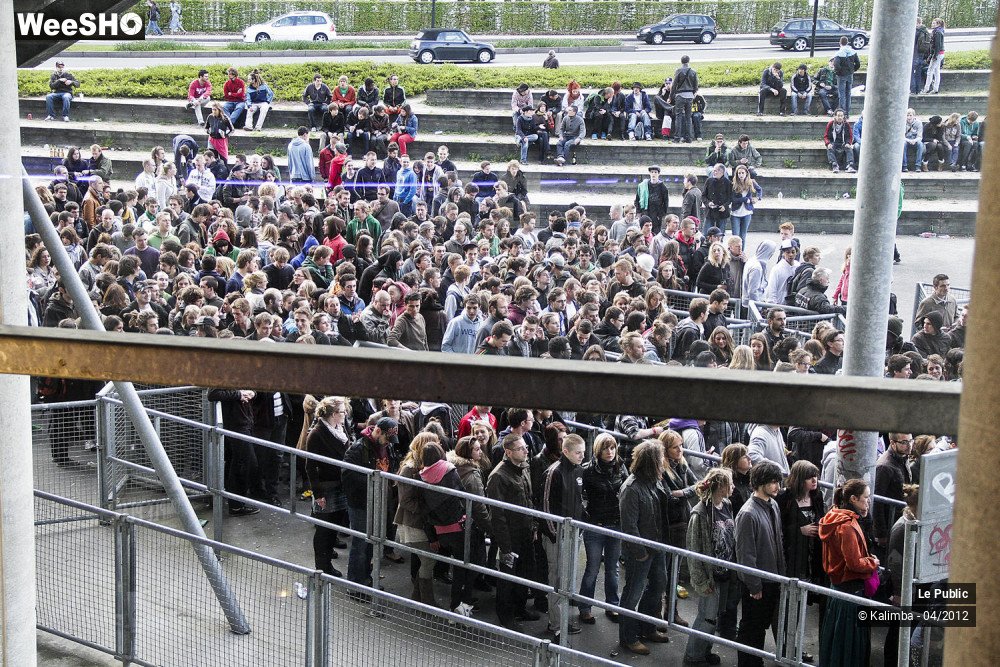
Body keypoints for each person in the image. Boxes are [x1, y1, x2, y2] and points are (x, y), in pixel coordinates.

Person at [817, 479, 879, 666]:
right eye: (866, 498)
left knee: (836, 645)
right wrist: (872, 562)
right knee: (850, 650)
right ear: (853, 498)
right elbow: (855, 563)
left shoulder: (833, 517)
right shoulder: (847, 526)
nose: (868, 502)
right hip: (850, 593)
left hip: (838, 590)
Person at [618, 439, 670, 656]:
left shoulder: (654, 482)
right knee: (632, 593)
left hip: (655, 546)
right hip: (640, 551)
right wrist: (640, 553)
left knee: (659, 584)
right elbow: (629, 525)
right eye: (660, 459)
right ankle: (628, 638)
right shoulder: (631, 488)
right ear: (652, 462)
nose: (664, 462)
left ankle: (647, 627)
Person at [734, 460, 786, 667]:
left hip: (772, 578)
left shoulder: (772, 504)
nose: (777, 487)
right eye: (773, 482)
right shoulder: (748, 513)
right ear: (761, 482)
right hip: (758, 583)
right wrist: (754, 585)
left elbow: (778, 540)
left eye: (778, 482)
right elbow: (745, 555)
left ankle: (755, 662)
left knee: (759, 627)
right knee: (751, 628)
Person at [685, 467, 738, 666]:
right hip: (709, 574)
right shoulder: (700, 514)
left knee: (713, 617)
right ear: (721, 487)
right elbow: (693, 549)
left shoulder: (727, 504)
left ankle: (705, 650)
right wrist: (701, 580)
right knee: (706, 617)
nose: (732, 487)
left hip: (724, 572)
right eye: (729, 484)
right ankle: (693, 655)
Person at [486, 432, 539, 630]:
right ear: (508, 452)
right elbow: (497, 515)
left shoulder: (523, 467)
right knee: (507, 577)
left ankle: (520, 608)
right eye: (520, 448)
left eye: (525, 447)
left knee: (524, 572)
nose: (526, 451)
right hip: (509, 535)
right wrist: (505, 546)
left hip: (525, 531)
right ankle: (506, 617)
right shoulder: (498, 476)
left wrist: (533, 526)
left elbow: (529, 498)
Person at [341, 417, 401, 588]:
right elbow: (347, 475)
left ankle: (365, 578)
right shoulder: (358, 448)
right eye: (387, 439)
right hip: (361, 503)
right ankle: (355, 583)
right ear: (377, 431)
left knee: (369, 542)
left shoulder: (386, 446)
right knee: (360, 543)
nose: (388, 443)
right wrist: (374, 482)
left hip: (377, 500)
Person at [777, 461, 825, 664]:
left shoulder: (817, 496)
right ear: (799, 479)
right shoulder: (785, 498)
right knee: (788, 608)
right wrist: (799, 530)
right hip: (791, 560)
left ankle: (793, 648)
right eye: (809, 477)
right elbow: (777, 529)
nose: (814, 480)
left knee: (800, 607)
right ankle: (787, 648)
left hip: (811, 560)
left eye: (816, 476)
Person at [540, 433, 586, 637]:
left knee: (567, 579)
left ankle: (562, 621)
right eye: (578, 453)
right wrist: (552, 533)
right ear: (565, 451)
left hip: (573, 532)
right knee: (556, 578)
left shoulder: (578, 470)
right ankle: (555, 624)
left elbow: (579, 500)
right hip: (557, 534)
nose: (582, 456)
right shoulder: (554, 472)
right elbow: (545, 505)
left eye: (583, 452)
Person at [578, 433, 627, 624]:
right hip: (595, 525)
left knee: (613, 568)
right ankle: (585, 606)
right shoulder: (588, 471)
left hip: (616, 523)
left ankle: (612, 605)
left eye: (613, 447)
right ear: (598, 450)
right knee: (592, 567)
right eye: (606, 448)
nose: (610, 452)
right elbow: (579, 496)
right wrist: (587, 516)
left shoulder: (621, 467)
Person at [305, 396, 352, 578]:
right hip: (326, 487)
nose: (345, 414)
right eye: (342, 411)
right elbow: (310, 467)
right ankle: (322, 566)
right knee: (324, 529)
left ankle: (327, 560)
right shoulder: (316, 434)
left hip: (340, 484)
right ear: (333, 414)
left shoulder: (341, 427)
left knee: (334, 526)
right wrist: (318, 494)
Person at [873, 433, 913, 558]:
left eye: (910, 441)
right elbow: (877, 502)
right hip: (890, 523)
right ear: (892, 443)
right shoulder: (884, 466)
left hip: (900, 519)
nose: (909, 445)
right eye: (904, 442)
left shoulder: (902, 457)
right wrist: (881, 534)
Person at [729, 164, 762, 247]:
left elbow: (759, 190)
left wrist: (757, 198)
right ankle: (734, 253)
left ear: (746, 173)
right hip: (736, 212)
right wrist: (744, 199)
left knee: (743, 236)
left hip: (747, 212)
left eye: (742, 173)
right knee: (735, 236)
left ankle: (741, 253)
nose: (741, 175)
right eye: (739, 173)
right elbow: (732, 199)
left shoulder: (751, 182)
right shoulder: (733, 184)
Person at [671, 55, 699, 143]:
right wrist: (693, 93)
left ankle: (677, 138)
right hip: (690, 95)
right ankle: (689, 138)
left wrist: (671, 95)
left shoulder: (678, 70)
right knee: (688, 117)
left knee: (678, 116)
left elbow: (674, 84)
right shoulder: (693, 71)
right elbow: (696, 86)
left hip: (680, 95)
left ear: (681, 61)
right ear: (688, 61)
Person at [635, 166, 669, 234]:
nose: (653, 174)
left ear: (658, 174)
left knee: (656, 233)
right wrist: (639, 212)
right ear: (649, 173)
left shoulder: (663, 187)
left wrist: (660, 215)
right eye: (652, 172)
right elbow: (637, 199)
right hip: (645, 212)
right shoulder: (643, 186)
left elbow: (665, 203)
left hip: (656, 215)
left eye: (655, 172)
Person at [833, 37, 861, 117]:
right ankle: (847, 113)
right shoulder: (853, 51)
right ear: (847, 42)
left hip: (841, 76)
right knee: (848, 93)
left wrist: (838, 72)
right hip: (850, 75)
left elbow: (836, 65)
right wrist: (852, 70)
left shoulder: (839, 53)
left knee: (841, 94)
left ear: (840, 43)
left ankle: (842, 113)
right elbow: (858, 64)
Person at [921, 18, 946, 94]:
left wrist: (934, 55)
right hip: (940, 53)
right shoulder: (939, 31)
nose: (932, 24)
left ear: (938, 24)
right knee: (936, 71)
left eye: (934, 23)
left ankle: (926, 89)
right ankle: (935, 88)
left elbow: (937, 45)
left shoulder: (937, 32)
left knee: (930, 71)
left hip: (937, 54)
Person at [912, 18, 932, 94]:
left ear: (917, 23)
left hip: (915, 54)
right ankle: (918, 89)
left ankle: (913, 89)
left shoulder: (917, 31)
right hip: (922, 54)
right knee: (918, 73)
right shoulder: (926, 31)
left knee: (911, 73)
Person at [902, 108, 925, 172]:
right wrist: (909, 140)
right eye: (907, 115)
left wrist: (914, 140)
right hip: (906, 140)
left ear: (914, 116)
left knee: (920, 144)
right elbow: (901, 136)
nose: (909, 117)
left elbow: (920, 136)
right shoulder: (903, 122)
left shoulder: (918, 123)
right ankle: (904, 165)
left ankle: (918, 165)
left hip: (915, 140)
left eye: (910, 115)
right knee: (903, 144)